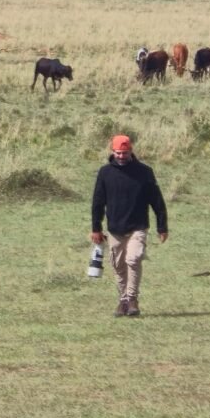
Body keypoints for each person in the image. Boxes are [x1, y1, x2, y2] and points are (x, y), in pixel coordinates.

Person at [90, 134, 168, 317]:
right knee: (118, 265)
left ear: (131, 151)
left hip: (138, 226)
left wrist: (162, 227)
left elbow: (157, 201)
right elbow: (98, 202)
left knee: (133, 259)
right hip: (115, 228)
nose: (121, 156)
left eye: (124, 153)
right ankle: (123, 300)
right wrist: (96, 228)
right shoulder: (105, 173)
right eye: (118, 153)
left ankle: (132, 299)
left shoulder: (144, 172)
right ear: (112, 151)